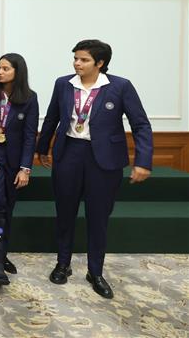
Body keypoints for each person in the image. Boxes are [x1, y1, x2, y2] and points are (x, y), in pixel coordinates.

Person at [37, 39, 152, 299]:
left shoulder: (120, 87)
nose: (77, 63)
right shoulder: (63, 84)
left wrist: (143, 161)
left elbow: (141, 125)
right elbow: (52, 116)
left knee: (98, 217)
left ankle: (95, 271)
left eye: (84, 59)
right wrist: (42, 148)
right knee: (65, 213)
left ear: (100, 63)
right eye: (75, 58)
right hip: (69, 155)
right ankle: (62, 264)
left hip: (104, 160)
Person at [0, 53, 38, 286]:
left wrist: (25, 169)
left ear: (17, 72)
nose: (0, 72)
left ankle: (0, 254)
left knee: (8, 205)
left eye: (5, 69)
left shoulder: (30, 98)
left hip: (13, 157)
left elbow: (30, 135)